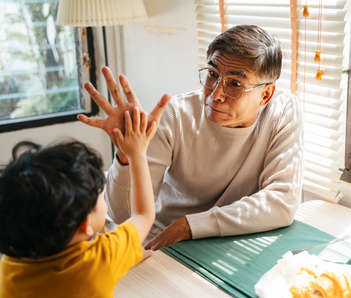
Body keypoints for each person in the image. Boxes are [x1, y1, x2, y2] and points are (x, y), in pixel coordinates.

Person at [79, 24, 303, 251]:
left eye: (235, 83)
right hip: (165, 239)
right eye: (212, 74)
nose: (215, 95)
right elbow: (122, 215)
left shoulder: (283, 112)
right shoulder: (177, 114)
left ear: (266, 94)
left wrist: (190, 225)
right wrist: (127, 156)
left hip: (230, 240)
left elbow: (282, 202)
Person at [0, 104, 168, 298]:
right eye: (99, 193)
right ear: (85, 225)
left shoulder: (10, 264)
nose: (102, 196)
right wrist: (137, 153)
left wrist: (128, 255)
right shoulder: (100, 260)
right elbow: (143, 215)